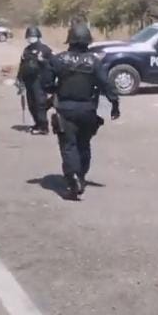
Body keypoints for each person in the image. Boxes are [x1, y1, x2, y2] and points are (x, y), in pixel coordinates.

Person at [43, 22, 119, 199]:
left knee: (69, 146)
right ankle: (81, 176)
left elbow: (46, 83)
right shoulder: (94, 61)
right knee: (84, 145)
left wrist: (56, 89)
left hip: (65, 109)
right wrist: (114, 104)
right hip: (88, 109)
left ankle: (74, 178)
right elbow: (106, 84)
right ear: (87, 41)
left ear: (70, 40)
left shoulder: (58, 59)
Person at [17, 26, 53, 135]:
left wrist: (42, 61)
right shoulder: (26, 50)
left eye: (33, 36)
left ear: (38, 36)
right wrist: (19, 79)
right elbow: (22, 65)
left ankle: (43, 126)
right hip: (28, 80)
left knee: (40, 104)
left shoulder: (45, 49)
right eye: (29, 36)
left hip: (40, 80)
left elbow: (52, 65)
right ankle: (37, 124)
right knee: (31, 104)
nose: (31, 38)